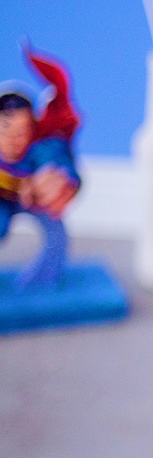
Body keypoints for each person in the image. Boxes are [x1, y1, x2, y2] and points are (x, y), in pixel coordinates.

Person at [0, 46, 81, 288]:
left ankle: (42, 279)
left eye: (22, 132)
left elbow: (56, 157)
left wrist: (57, 177)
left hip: (37, 203)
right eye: (6, 129)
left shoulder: (39, 150)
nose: (14, 139)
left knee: (53, 229)